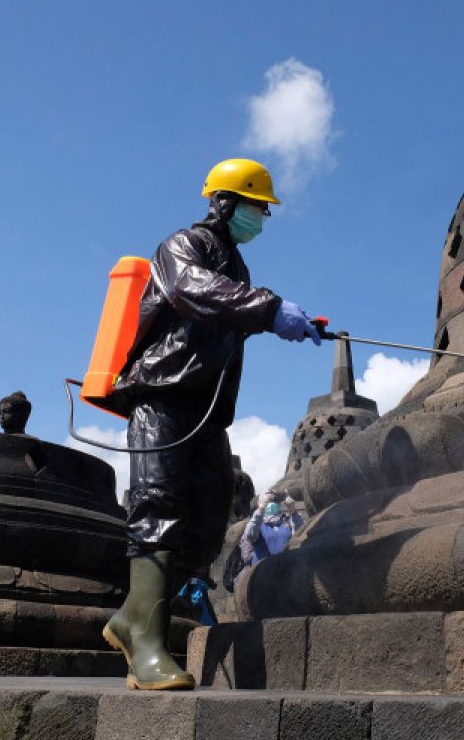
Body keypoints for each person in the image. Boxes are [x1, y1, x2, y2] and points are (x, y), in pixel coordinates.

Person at [100, 158, 321, 691]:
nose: (262, 218)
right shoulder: (183, 247)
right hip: (163, 396)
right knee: (158, 505)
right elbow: (190, 291)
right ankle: (147, 647)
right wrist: (268, 310)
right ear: (226, 202)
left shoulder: (237, 269)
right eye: (256, 206)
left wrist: (285, 323)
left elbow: (228, 313)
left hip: (205, 411)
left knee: (206, 520)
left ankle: (131, 620)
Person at [243, 492, 294, 564]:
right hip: (263, 571)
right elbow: (249, 534)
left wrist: (293, 510)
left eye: (275, 501)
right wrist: (260, 510)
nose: (272, 504)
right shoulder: (257, 523)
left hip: (286, 569)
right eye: (269, 501)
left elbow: (300, 532)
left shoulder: (285, 520)